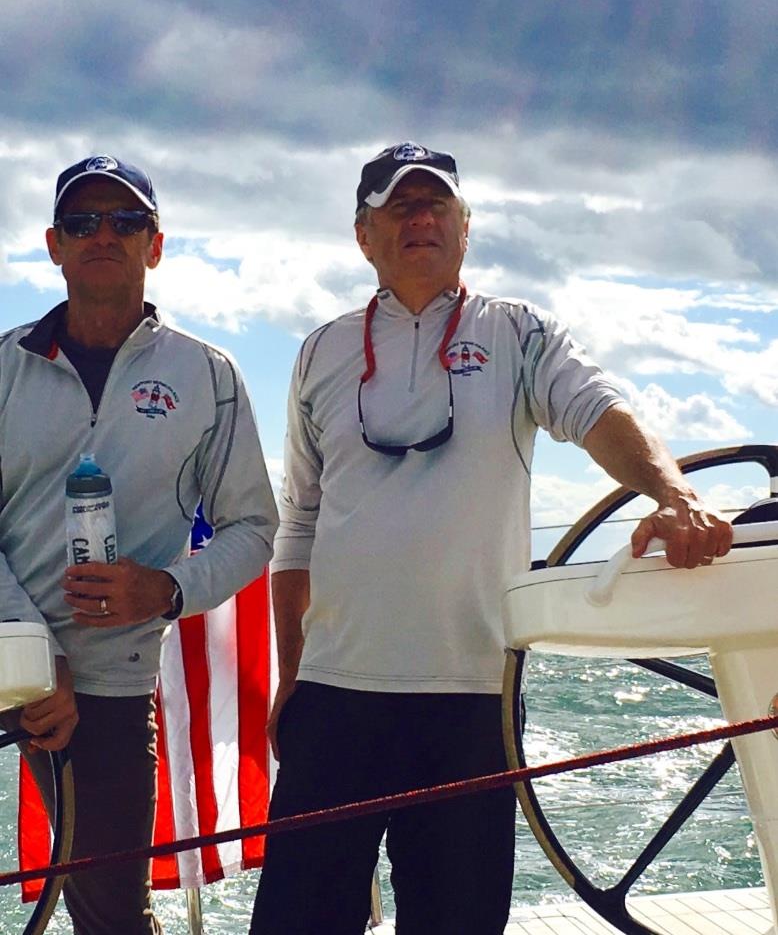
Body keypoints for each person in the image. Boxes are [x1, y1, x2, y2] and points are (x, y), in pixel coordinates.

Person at [250, 141, 731, 935]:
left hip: (472, 700)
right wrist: (292, 675)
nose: (421, 218)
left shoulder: (519, 334)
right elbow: (299, 525)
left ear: (465, 230)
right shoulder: (320, 351)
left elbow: (597, 413)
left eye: (438, 205)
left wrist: (674, 493)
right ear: (363, 235)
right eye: (399, 206)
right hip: (336, 697)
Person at [0, 155, 279, 935]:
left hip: (110, 692)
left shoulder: (208, 376)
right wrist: (28, 652)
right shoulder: (1, 369)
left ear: (154, 246)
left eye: (125, 222)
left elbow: (255, 528)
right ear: (53, 244)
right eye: (82, 222)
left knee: (108, 913)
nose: (103, 236)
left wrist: (167, 589)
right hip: (6, 663)